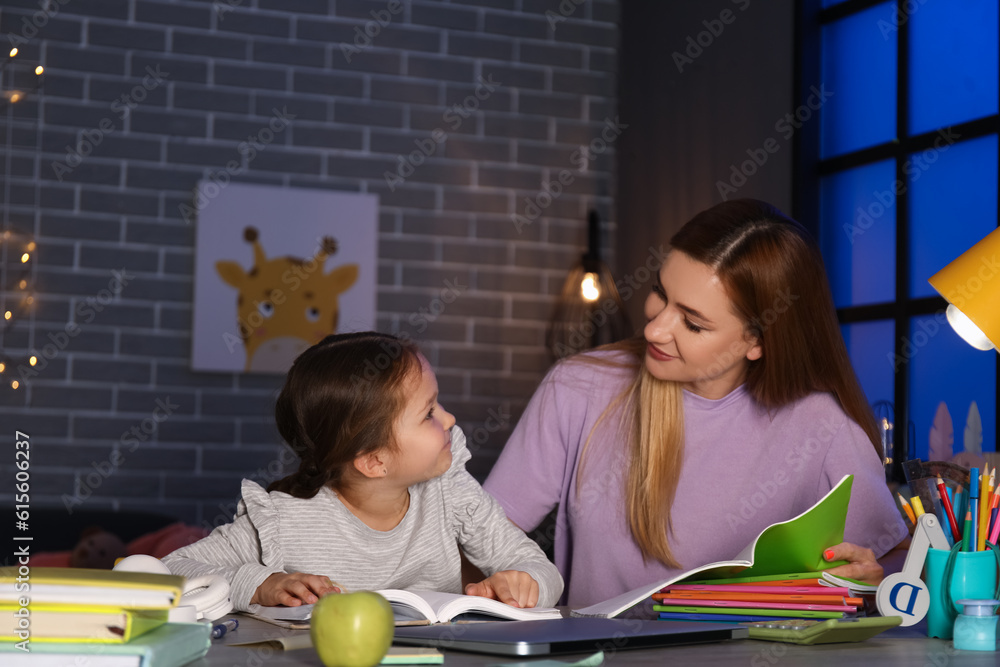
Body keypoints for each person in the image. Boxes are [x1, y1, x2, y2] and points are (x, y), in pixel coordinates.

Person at [483, 199, 909, 608]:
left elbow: (898, 566)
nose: (654, 329)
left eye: (691, 322)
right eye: (659, 293)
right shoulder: (577, 387)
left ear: (756, 342)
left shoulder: (823, 430)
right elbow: (482, 536)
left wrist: (876, 581)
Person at [164, 332, 563, 612]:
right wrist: (260, 584)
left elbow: (541, 568)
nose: (450, 419)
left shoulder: (451, 491)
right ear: (374, 461)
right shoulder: (281, 520)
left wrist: (525, 583)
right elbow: (169, 572)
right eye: (428, 413)